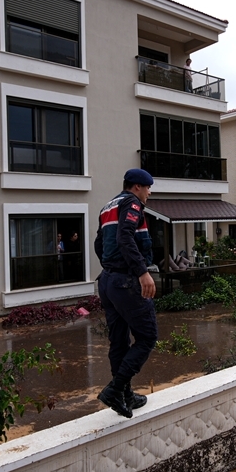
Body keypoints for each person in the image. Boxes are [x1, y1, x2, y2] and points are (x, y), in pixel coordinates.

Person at [94, 168, 157, 418]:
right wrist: (141, 272)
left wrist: (110, 267)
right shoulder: (132, 204)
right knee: (147, 336)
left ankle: (126, 396)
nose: (149, 193)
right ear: (137, 187)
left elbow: (100, 244)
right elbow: (125, 237)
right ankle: (116, 389)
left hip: (108, 282)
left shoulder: (108, 206)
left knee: (119, 341)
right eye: (148, 188)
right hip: (126, 282)